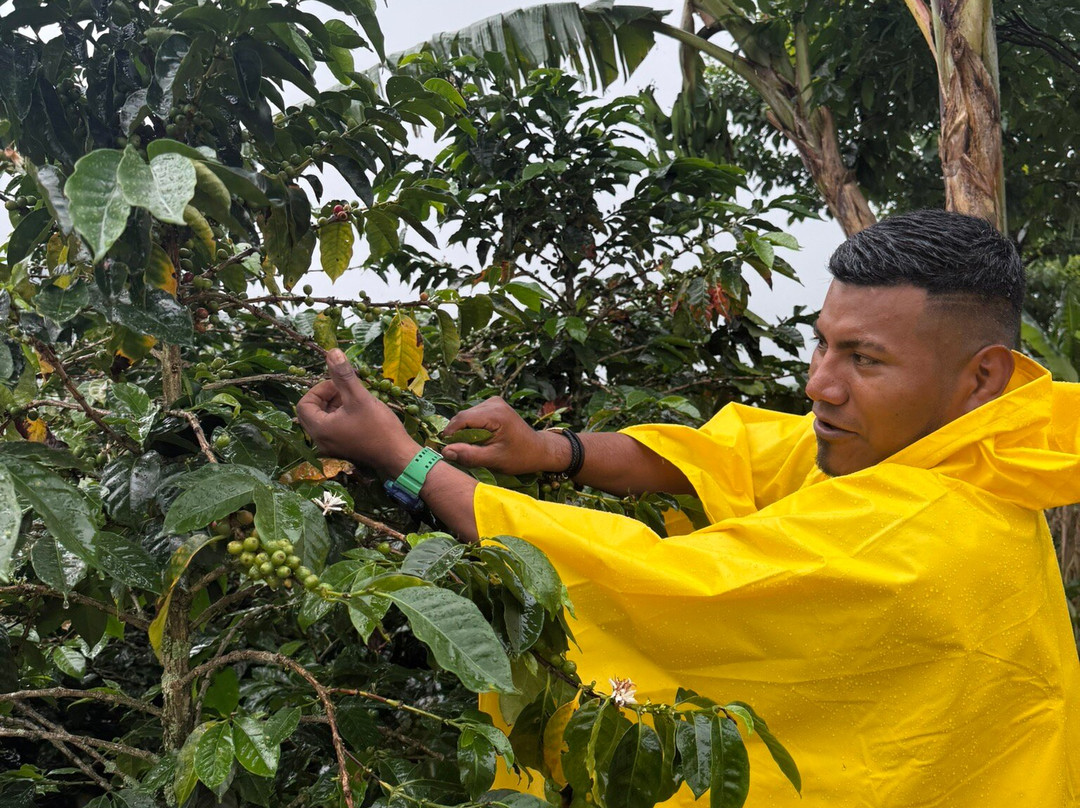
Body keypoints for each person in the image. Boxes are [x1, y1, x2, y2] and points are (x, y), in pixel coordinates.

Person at [298, 210, 1080, 807]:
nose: (820, 385)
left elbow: (649, 576)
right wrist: (554, 450)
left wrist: (405, 458)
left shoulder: (923, 532)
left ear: (981, 377)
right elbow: (737, 452)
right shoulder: (984, 442)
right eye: (823, 345)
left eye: (866, 360)